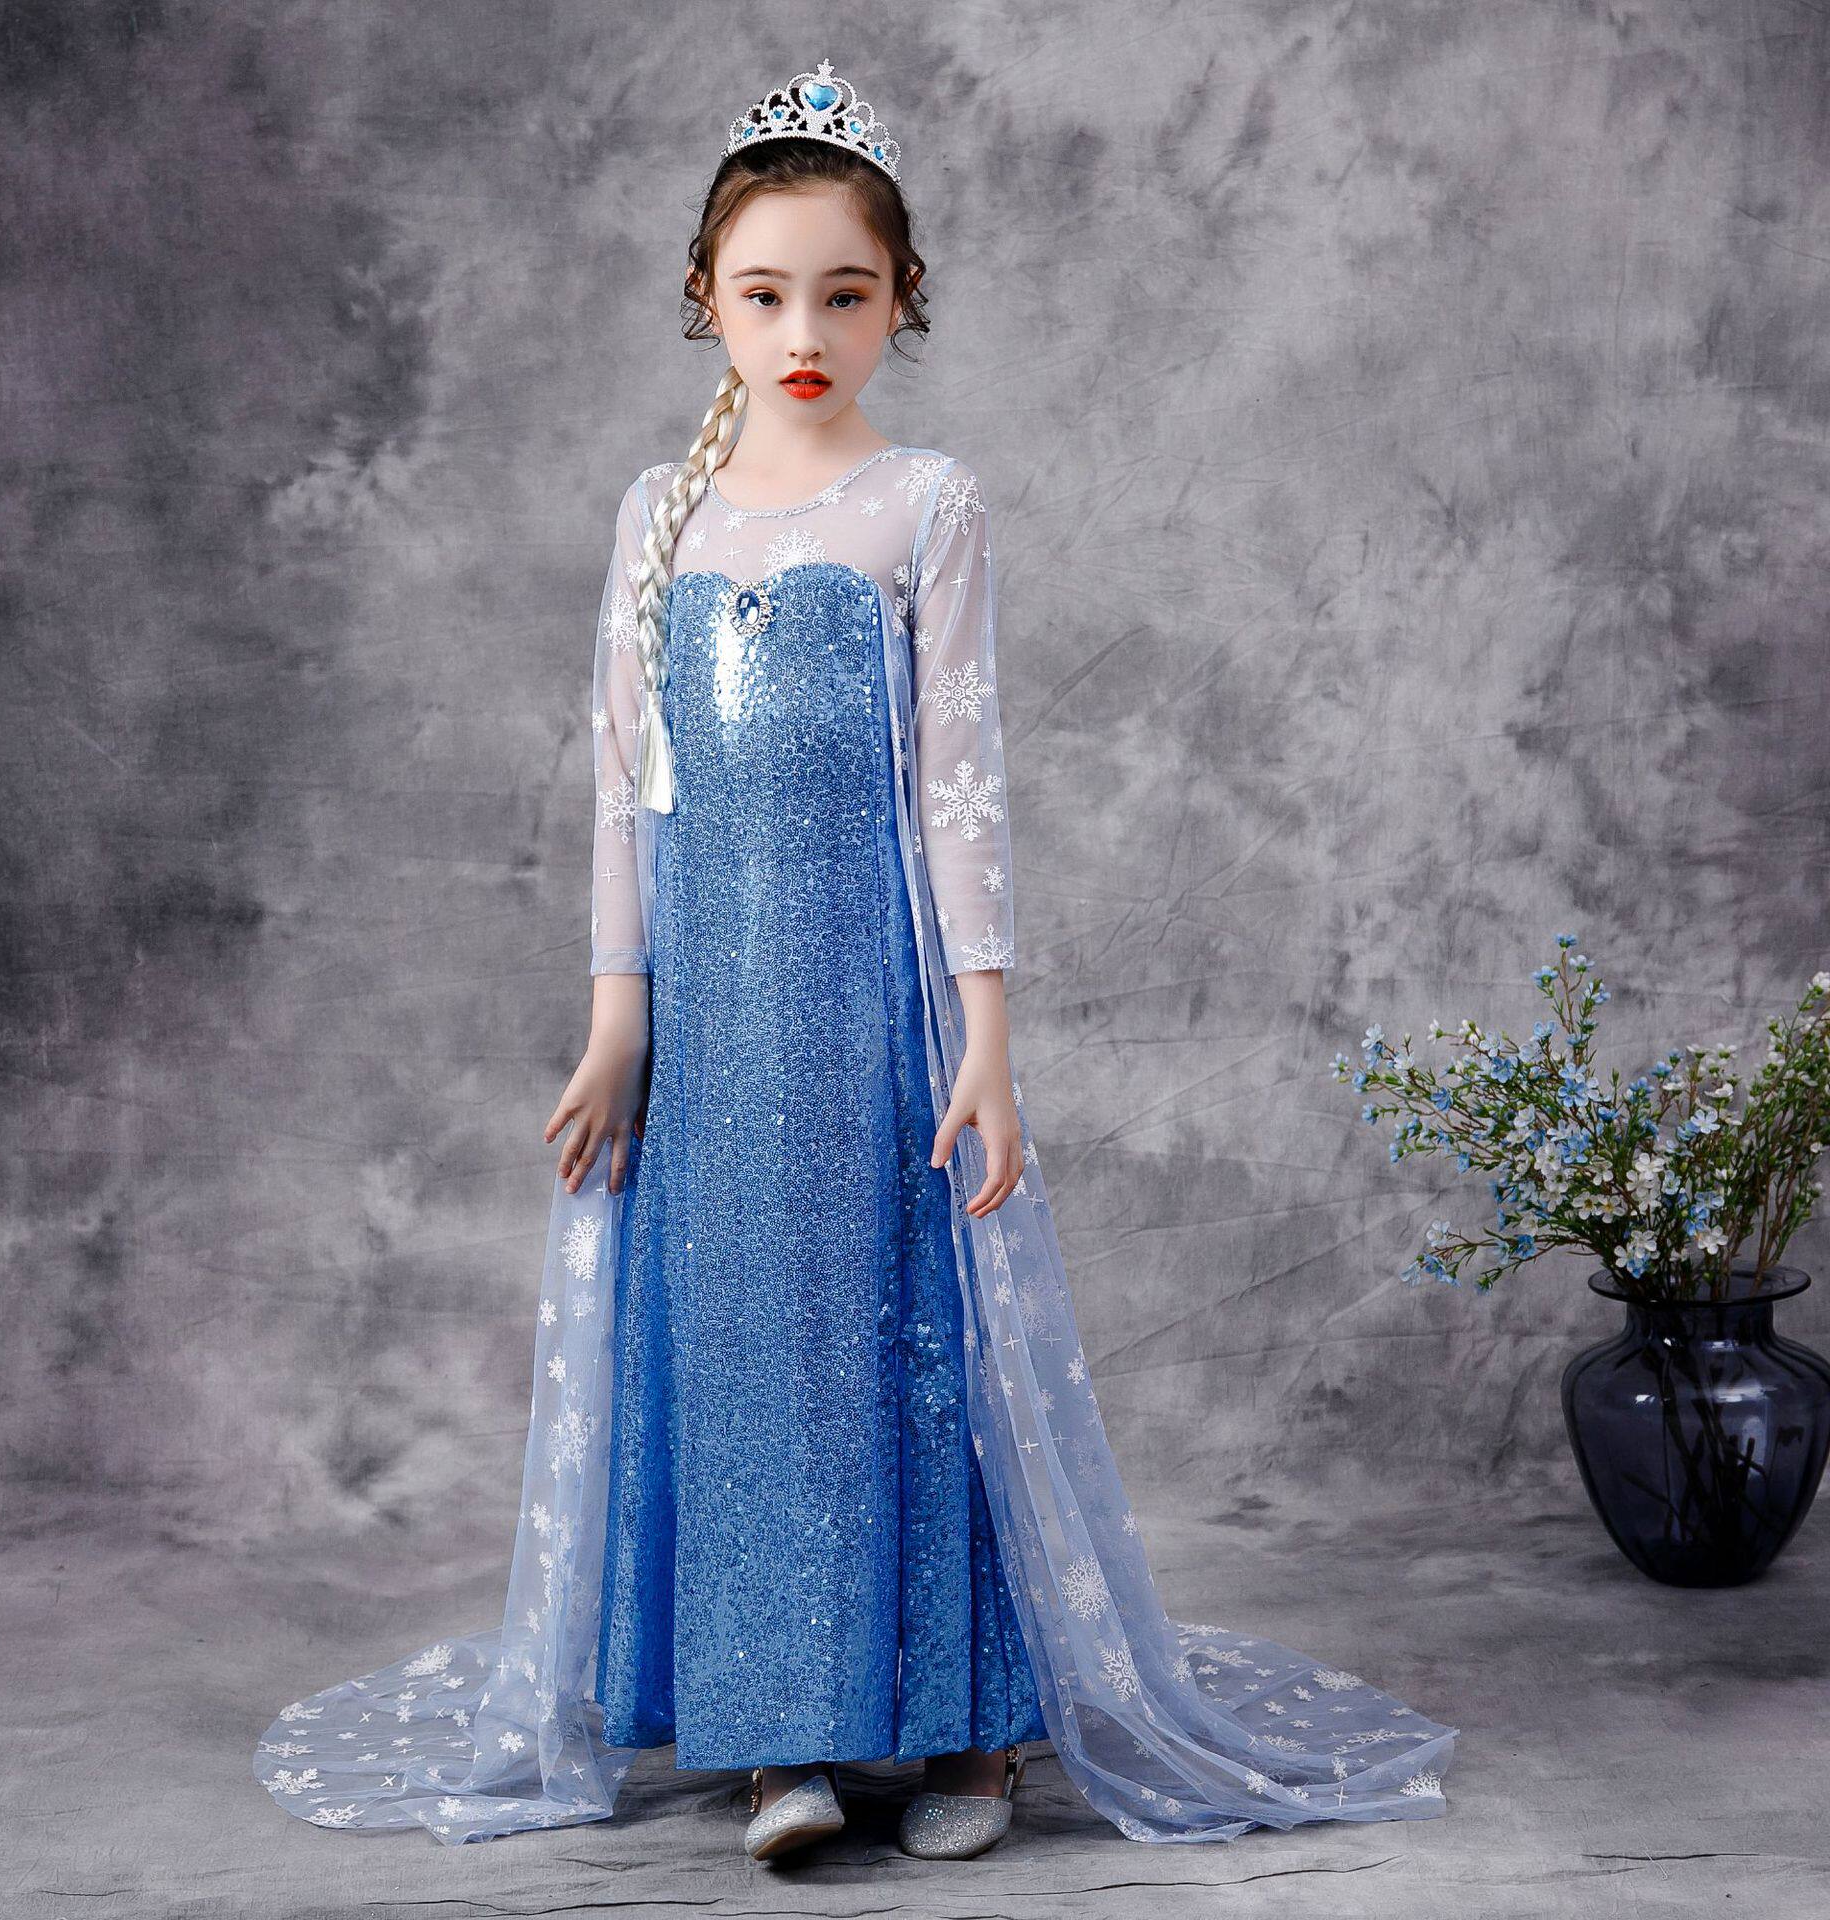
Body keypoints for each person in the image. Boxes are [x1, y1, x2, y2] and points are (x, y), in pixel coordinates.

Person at [254, 56, 1459, 1864]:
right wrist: (618, 1018)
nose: (804, 334)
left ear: (903, 298)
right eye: (764, 296)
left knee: (908, 1345)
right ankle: (779, 1736)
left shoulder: (926, 504)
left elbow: (962, 787)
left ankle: (968, 1732)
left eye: (845, 294)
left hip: (872, 1009)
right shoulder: (657, 515)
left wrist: (986, 1039)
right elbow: (624, 786)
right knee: (745, 1349)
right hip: (715, 1026)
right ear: (704, 300)